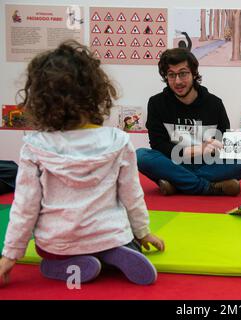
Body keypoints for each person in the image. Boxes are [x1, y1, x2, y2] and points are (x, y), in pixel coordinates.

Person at [0, 40, 165, 287]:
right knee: (119, 237)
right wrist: (143, 233)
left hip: (59, 242)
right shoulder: (117, 140)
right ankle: (115, 251)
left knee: (50, 254)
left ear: (40, 99)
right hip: (109, 234)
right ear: (97, 92)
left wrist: (10, 255)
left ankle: (66, 263)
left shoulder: (35, 146)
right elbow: (132, 194)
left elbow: (25, 206)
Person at [136, 48, 241, 196]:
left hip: (205, 164)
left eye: (183, 73)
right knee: (140, 156)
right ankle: (208, 187)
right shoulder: (156, 103)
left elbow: (223, 143)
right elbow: (158, 145)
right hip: (173, 162)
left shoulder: (214, 103)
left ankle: (177, 184)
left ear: (194, 73)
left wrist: (212, 149)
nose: (178, 81)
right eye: (171, 75)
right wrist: (198, 149)